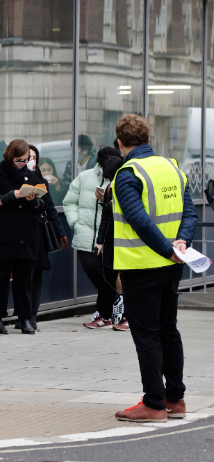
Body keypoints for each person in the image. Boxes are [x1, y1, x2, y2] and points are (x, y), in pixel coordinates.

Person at [112, 114, 197, 422]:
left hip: (141, 266)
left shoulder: (128, 173)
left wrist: (166, 249)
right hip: (172, 265)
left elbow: (139, 220)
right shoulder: (172, 168)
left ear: (120, 143)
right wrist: (181, 244)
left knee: (146, 333)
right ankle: (175, 399)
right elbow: (189, 211)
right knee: (168, 329)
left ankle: (154, 403)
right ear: (148, 138)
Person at [0, 139, 44, 335]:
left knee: (24, 280)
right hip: (1, 236)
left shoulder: (32, 177)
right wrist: (7, 197)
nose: (22, 164)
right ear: (10, 157)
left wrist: (34, 202)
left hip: (26, 236)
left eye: (25, 161)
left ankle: (25, 318)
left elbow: (43, 207)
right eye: (18, 160)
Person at [63, 147, 121, 330]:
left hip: (110, 237)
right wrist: (76, 223)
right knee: (96, 274)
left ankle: (104, 315)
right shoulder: (85, 177)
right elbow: (69, 201)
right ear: (99, 164)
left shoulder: (120, 178)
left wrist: (108, 200)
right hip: (86, 235)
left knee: (107, 278)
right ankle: (115, 303)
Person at [13, 145, 69, 331]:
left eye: (34, 157)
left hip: (37, 233)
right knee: (21, 277)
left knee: (36, 275)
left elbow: (51, 208)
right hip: (19, 233)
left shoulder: (41, 180)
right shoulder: (13, 176)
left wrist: (61, 232)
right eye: (27, 157)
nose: (31, 160)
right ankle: (22, 315)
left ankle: (31, 315)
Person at [95, 150, 129, 331]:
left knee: (123, 278)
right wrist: (100, 241)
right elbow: (105, 217)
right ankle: (110, 314)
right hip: (110, 239)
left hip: (123, 239)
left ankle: (126, 315)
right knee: (108, 273)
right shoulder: (110, 188)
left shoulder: (123, 186)